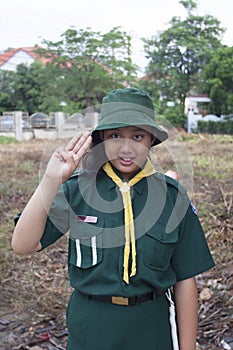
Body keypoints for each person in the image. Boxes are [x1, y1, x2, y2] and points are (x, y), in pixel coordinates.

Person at [12, 87, 215, 350]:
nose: (126, 147)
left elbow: (185, 280)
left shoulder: (171, 197)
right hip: (92, 328)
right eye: (115, 135)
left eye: (137, 135)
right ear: (102, 140)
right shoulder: (80, 188)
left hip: (151, 329)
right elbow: (23, 245)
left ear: (151, 139)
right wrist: (51, 180)